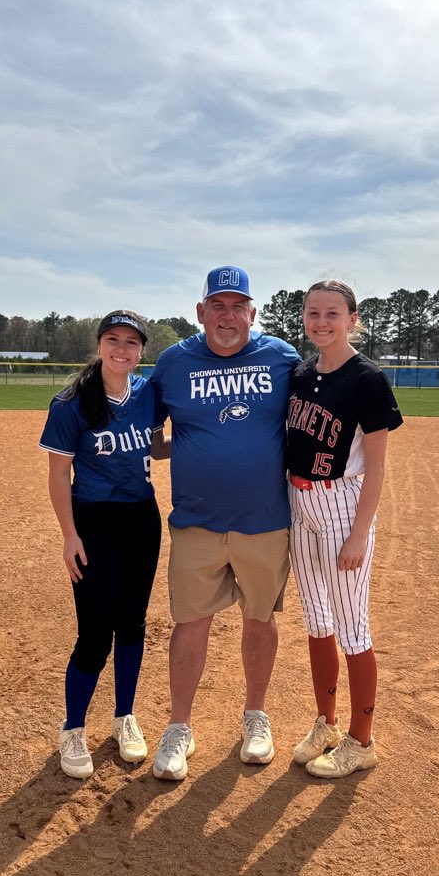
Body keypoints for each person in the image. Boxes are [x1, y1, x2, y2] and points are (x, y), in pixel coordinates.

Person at [149, 266, 301, 780]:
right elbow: (148, 433)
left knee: (260, 618)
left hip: (265, 520)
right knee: (191, 622)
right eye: (218, 305)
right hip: (197, 522)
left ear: (253, 314)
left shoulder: (281, 357)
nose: (228, 315)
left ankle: (256, 716)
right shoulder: (173, 362)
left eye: (238, 306)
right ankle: (179, 726)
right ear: (200, 312)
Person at [39, 311, 170, 779]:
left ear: (141, 351)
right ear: (99, 345)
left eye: (132, 342)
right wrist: (69, 535)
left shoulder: (148, 393)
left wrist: (204, 441)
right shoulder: (71, 403)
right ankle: (72, 728)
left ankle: (124, 718)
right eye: (113, 340)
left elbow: (154, 447)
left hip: (141, 520)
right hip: (93, 523)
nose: (122, 349)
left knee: (132, 624)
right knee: (95, 632)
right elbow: (59, 475)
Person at [286, 280, 403, 778]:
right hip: (298, 500)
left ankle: (362, 740)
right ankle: (327, 723)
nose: (321, 321)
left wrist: (360, 532)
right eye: (313, 312)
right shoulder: (300, 373)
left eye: (333, 313)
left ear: (353, 319)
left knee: (353, 626)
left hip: (342, 504)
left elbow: (375, 466)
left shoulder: (367, 379)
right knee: (317, 620)